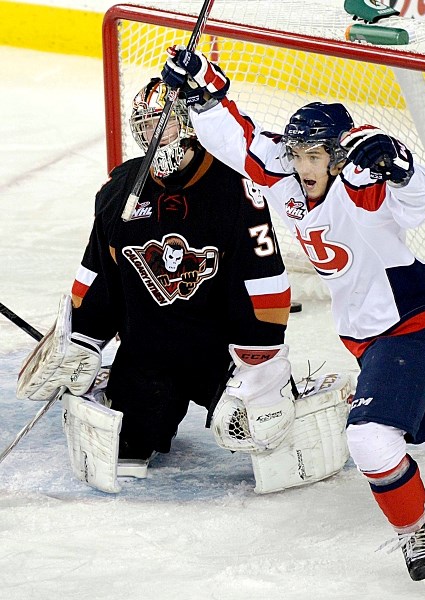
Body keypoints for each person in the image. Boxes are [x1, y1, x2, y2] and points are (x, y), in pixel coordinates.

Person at [161, 49, 425, 582]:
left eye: (315, 157)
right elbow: (242, 143)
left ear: (338, 158)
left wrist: (398, 165)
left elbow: (413, 197)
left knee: (369, 438)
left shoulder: (365, 188)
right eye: (298, 155)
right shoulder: (290, 182)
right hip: (368, 336)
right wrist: (203, 90)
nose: (303, 167)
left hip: (408, 326)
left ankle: (413, 533)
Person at [16, 77, 295, 486]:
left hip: (218, 355)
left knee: (270, 433)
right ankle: (127, 394)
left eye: (163, 126)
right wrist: (82, 339)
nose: (153, 137)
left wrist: (260, 362)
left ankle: (285, 398)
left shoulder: (235, 187)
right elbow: (97, 273)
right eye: (145, 127)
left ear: (189, 127)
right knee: (123, 456)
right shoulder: (120, 190)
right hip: (147, 355)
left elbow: (264, 282)